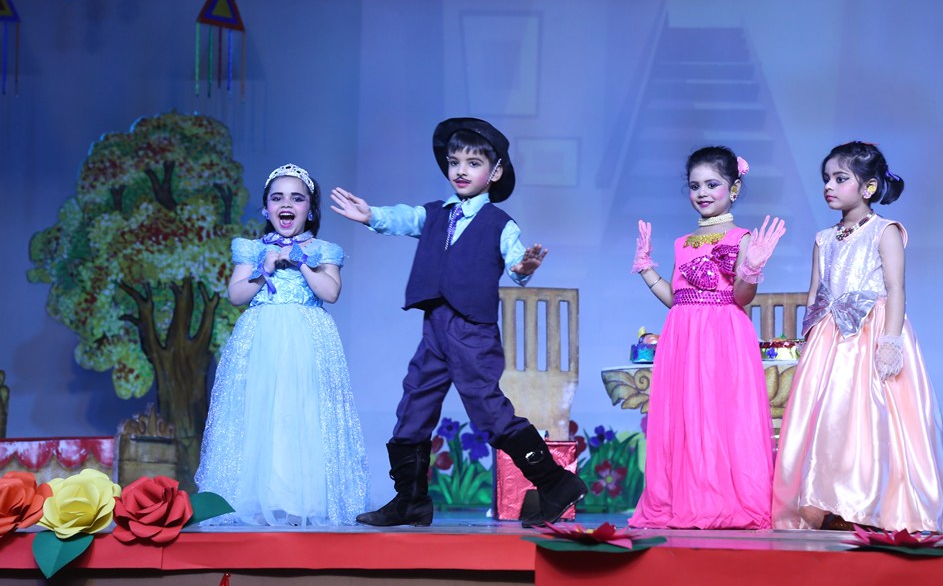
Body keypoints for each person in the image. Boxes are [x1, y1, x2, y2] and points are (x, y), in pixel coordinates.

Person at [330, 117, 586, 528]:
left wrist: (523, 267)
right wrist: (371, 214)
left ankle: (556, 483)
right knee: (414, 405)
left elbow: (516, 261)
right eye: (454, 162)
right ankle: (410, 499)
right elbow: (403, 218)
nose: (461, 171)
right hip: (435, 327)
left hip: (472, 332)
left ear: (495, 172)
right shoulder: (435, 214)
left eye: (473, 163)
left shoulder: (500, 224)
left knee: (489, 411)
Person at [772, 141, 943, 532]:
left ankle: (876, 505)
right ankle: (826, 500)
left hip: (872, 331)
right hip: (830, 337)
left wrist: (890, 341)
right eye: (826, 178)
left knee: (873, 417)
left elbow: (896, 289)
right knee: (829, 419)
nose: (829, 186)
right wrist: (809, 339)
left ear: (869, 187)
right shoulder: (824, 239)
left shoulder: (884, 231)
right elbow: (816, 295)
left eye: (840, 178)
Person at [195, 163, 369, 526]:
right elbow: (236, 294)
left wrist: (303, 263)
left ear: (310, 210)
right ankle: (258, 499)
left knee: (301, 412)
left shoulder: (324, 250)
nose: (286, 204)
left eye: (296, 198)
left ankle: (301, 501)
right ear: (266, 208)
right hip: (262, 339)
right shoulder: (252, 249)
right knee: (262, 412)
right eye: (277, 198)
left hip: (307, 340)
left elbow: (330, 292)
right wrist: (265, 269)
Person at [629, 146, 784, 529]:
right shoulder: (682, 242)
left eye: (712, 184)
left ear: (734, 188)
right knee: (685, 418)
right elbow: (676, 298)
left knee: (719, 417)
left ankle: (722, 500)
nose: (702, 192)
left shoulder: (740, 237)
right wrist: (646, 268)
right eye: (695, 185)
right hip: (682, 336)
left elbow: (741, 298)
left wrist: (751, 270)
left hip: (722, 335)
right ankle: (686, 498)